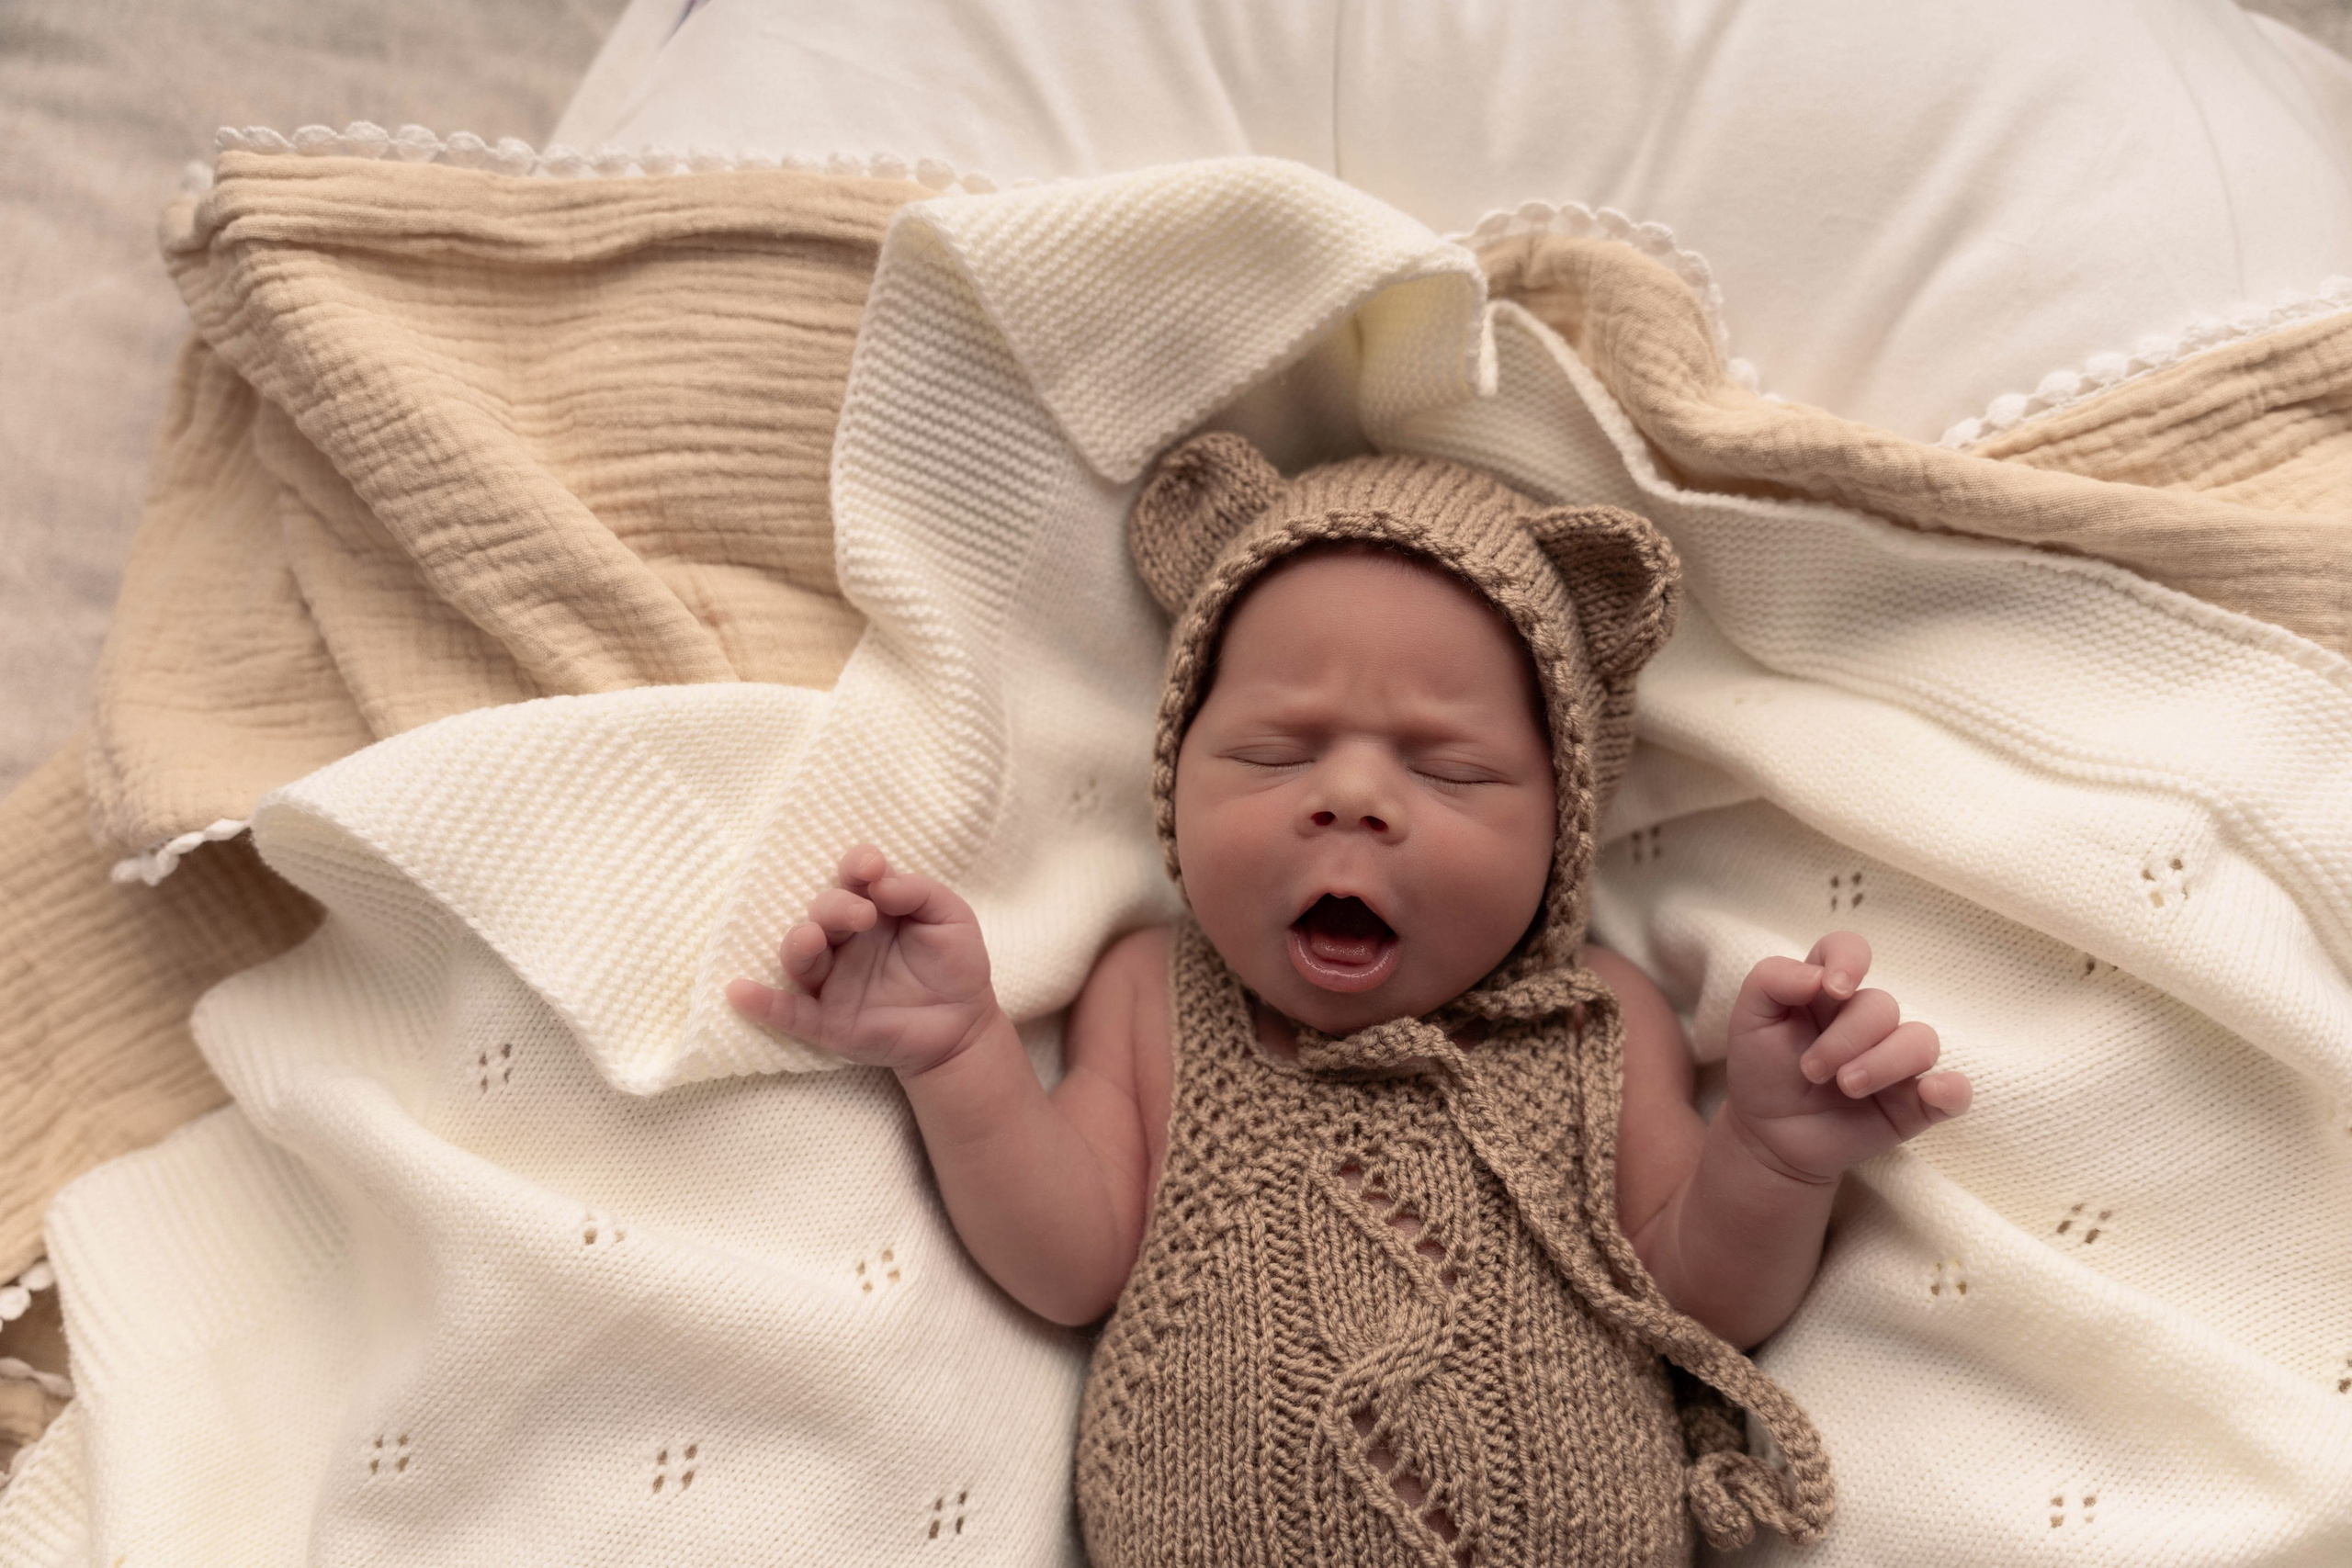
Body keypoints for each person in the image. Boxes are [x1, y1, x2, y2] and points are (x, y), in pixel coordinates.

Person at [728, 433, 1971, 1563]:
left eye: (1449, 768)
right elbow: (1070, 1261)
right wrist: (959, 1054)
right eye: (1275, 750)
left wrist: (1771, 1153)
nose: (1354, 799)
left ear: (1563, 830)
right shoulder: (1158, 1000)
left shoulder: (1597, 1020)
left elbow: (1699, 1299)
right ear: (1175, 778)